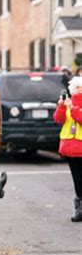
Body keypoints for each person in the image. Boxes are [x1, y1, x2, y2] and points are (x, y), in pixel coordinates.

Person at [53, 75, 82, 222]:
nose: (79, 90)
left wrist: (73, 107)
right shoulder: (68, 102)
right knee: (77, 180)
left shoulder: (75, 105)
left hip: (80, 146)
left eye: (81, 87)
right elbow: (59, 119)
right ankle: (79, 209)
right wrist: (61, 105)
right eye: (77, 87)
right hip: (70, 148)